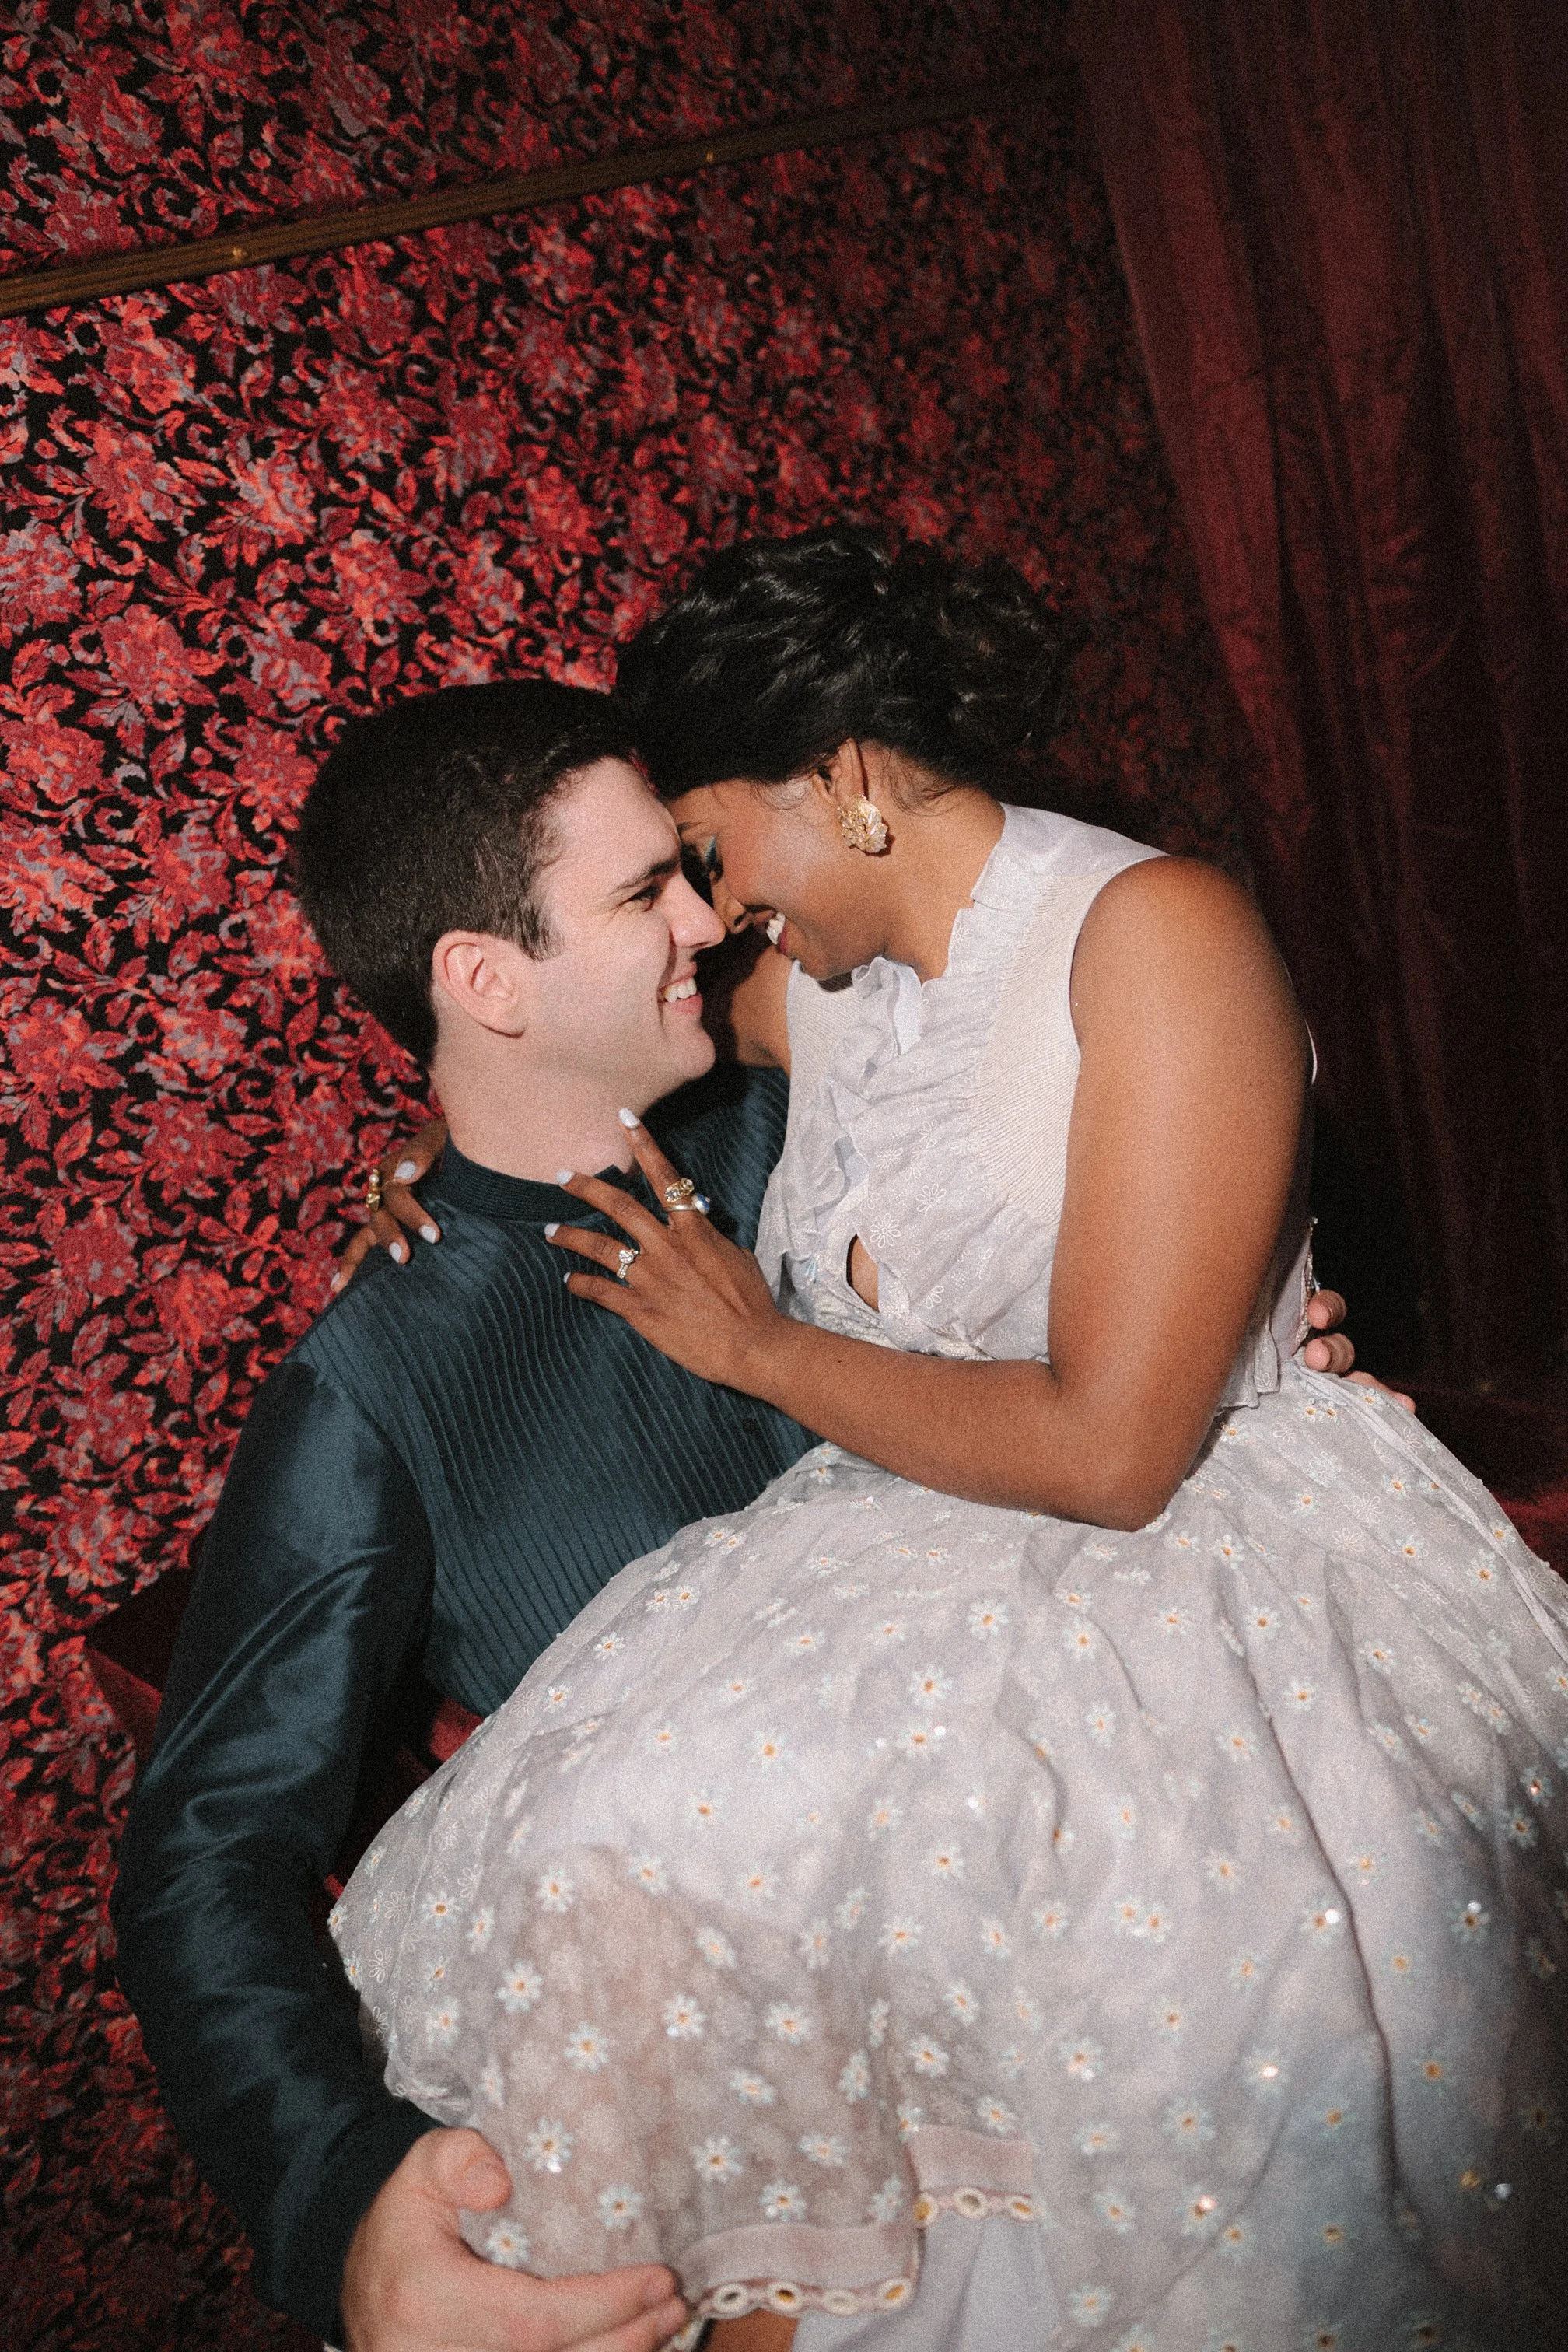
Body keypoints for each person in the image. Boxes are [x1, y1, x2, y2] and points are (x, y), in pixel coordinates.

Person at [331, 531, 1568, 2351]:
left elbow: (1119, 1452)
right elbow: (586, 1034)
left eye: (709, 851)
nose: (706, 913)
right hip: (897, 1541)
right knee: (607, 1838)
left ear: (837, 785)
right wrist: (430, 1176)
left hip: (1193, 1563)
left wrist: (757, 1345)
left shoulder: (1156, 934)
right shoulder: (809, 980)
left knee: (1161, 2011)